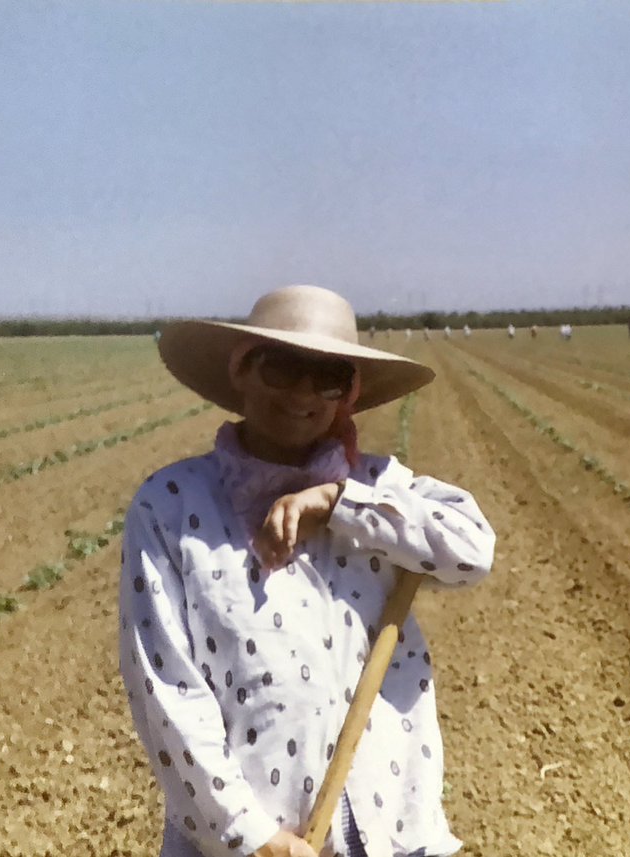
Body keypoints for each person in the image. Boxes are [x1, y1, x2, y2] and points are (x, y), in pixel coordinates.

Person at [119, 285, 496, 857]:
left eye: (328, 377)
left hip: (387, 829)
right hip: (249, 842)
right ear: (241, 370)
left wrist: (339, 504)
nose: (302, 393)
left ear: (349, 392)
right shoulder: (171, 505)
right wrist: (257, 838)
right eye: (282, 367)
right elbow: (166, 688)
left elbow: (472, 552)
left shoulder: (378, 487)